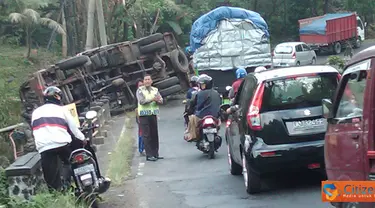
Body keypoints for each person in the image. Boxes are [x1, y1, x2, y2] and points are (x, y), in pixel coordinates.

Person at [136, 74, 164, 161]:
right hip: (144, 115)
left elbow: (161, 100)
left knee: (154, 134)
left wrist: (159, 100)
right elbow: (141, 101)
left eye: (149, 79)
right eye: (145, 80)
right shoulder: (140, 90)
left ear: (151, 81)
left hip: (153, 114)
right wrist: (153, 99)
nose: (147, 81)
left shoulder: (155, 90)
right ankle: (149, 155)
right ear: (143, 82)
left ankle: (156, 153)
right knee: (146, 135)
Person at [186, 74, 221, 141]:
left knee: (192, 118)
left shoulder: (199, 93)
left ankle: (192, 136)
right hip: (215, 115)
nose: (200, 86)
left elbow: (196, 105)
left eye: (202, 84)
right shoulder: (216, 93)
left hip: (201, 115)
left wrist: (190, 111)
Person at [134, 79, 145, 155]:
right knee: (141, 133)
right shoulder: (138, 94)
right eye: (139, 86)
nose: (141, 87)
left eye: (142, 85)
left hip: (147, 114)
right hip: (140, 115)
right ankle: (141, 149)